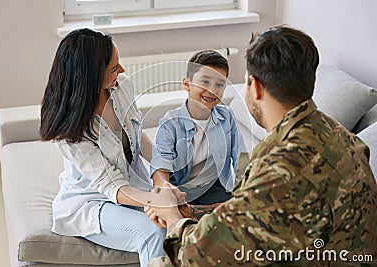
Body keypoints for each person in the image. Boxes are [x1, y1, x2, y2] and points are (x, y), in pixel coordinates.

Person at [145, 26, 377, 266]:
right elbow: (247, 210)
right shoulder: (342, 136)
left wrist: (173, 218)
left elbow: (196, 256)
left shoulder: (281, 168)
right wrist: (190, 212)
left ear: (254, 87)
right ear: (312, 80)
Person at [39, 28, 168, 267]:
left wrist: (162, 176)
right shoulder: (69, 131)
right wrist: (156, 199)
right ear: (90, 76)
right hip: (92, 201)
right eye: (113, 68)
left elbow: (138, 138)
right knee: (153, 231)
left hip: (132, 185)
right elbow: (111, 186)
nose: (122, 71)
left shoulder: (122, 87)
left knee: (177, 219)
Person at [150, 50, 240, 207]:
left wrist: (243, 190)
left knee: (225, 219)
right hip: (181, 188)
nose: (212, 90)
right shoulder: (170, 123)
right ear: (187, 84)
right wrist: (165, 188)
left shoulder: (227, 117)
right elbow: (160, 166)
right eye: (205, 82)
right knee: (174, 217)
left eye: (220, 84)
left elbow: (239, 157)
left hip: (214, 187)